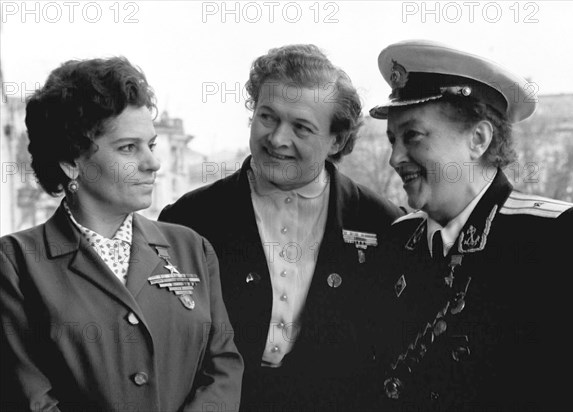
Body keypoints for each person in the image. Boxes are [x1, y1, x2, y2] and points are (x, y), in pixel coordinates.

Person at [159, 44, 403, 411]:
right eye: (268, 117)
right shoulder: (189, 220)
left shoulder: (382, 224)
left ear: (336, 140)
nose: (276, 139)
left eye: (301, 127)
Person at [0, 57, 243, 412]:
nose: (152, 162)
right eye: (129, 148)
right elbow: (30, 395)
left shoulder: (193, 248)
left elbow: (223, 369)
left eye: (152, 144)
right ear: (72, 162)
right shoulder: (16, 264)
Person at [369, 40, 573, 411]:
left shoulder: (557, 236)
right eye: (392, 140)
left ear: (478, 139)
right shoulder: (398, 238)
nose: (395, 158)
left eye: (412, 136)